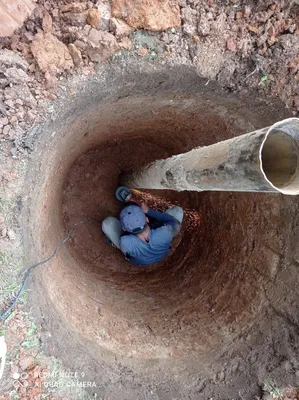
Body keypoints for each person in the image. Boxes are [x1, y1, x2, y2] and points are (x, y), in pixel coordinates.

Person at [102, 201, 183, 266]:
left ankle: (115, 244)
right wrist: (149, 211)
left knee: (107, 223)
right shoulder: (164, 231)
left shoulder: (125, 241)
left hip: (140, 260)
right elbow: (175, 223)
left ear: (124, 229)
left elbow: (126, 239)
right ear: (147, 219)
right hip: (161, 254)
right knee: (178, 211)